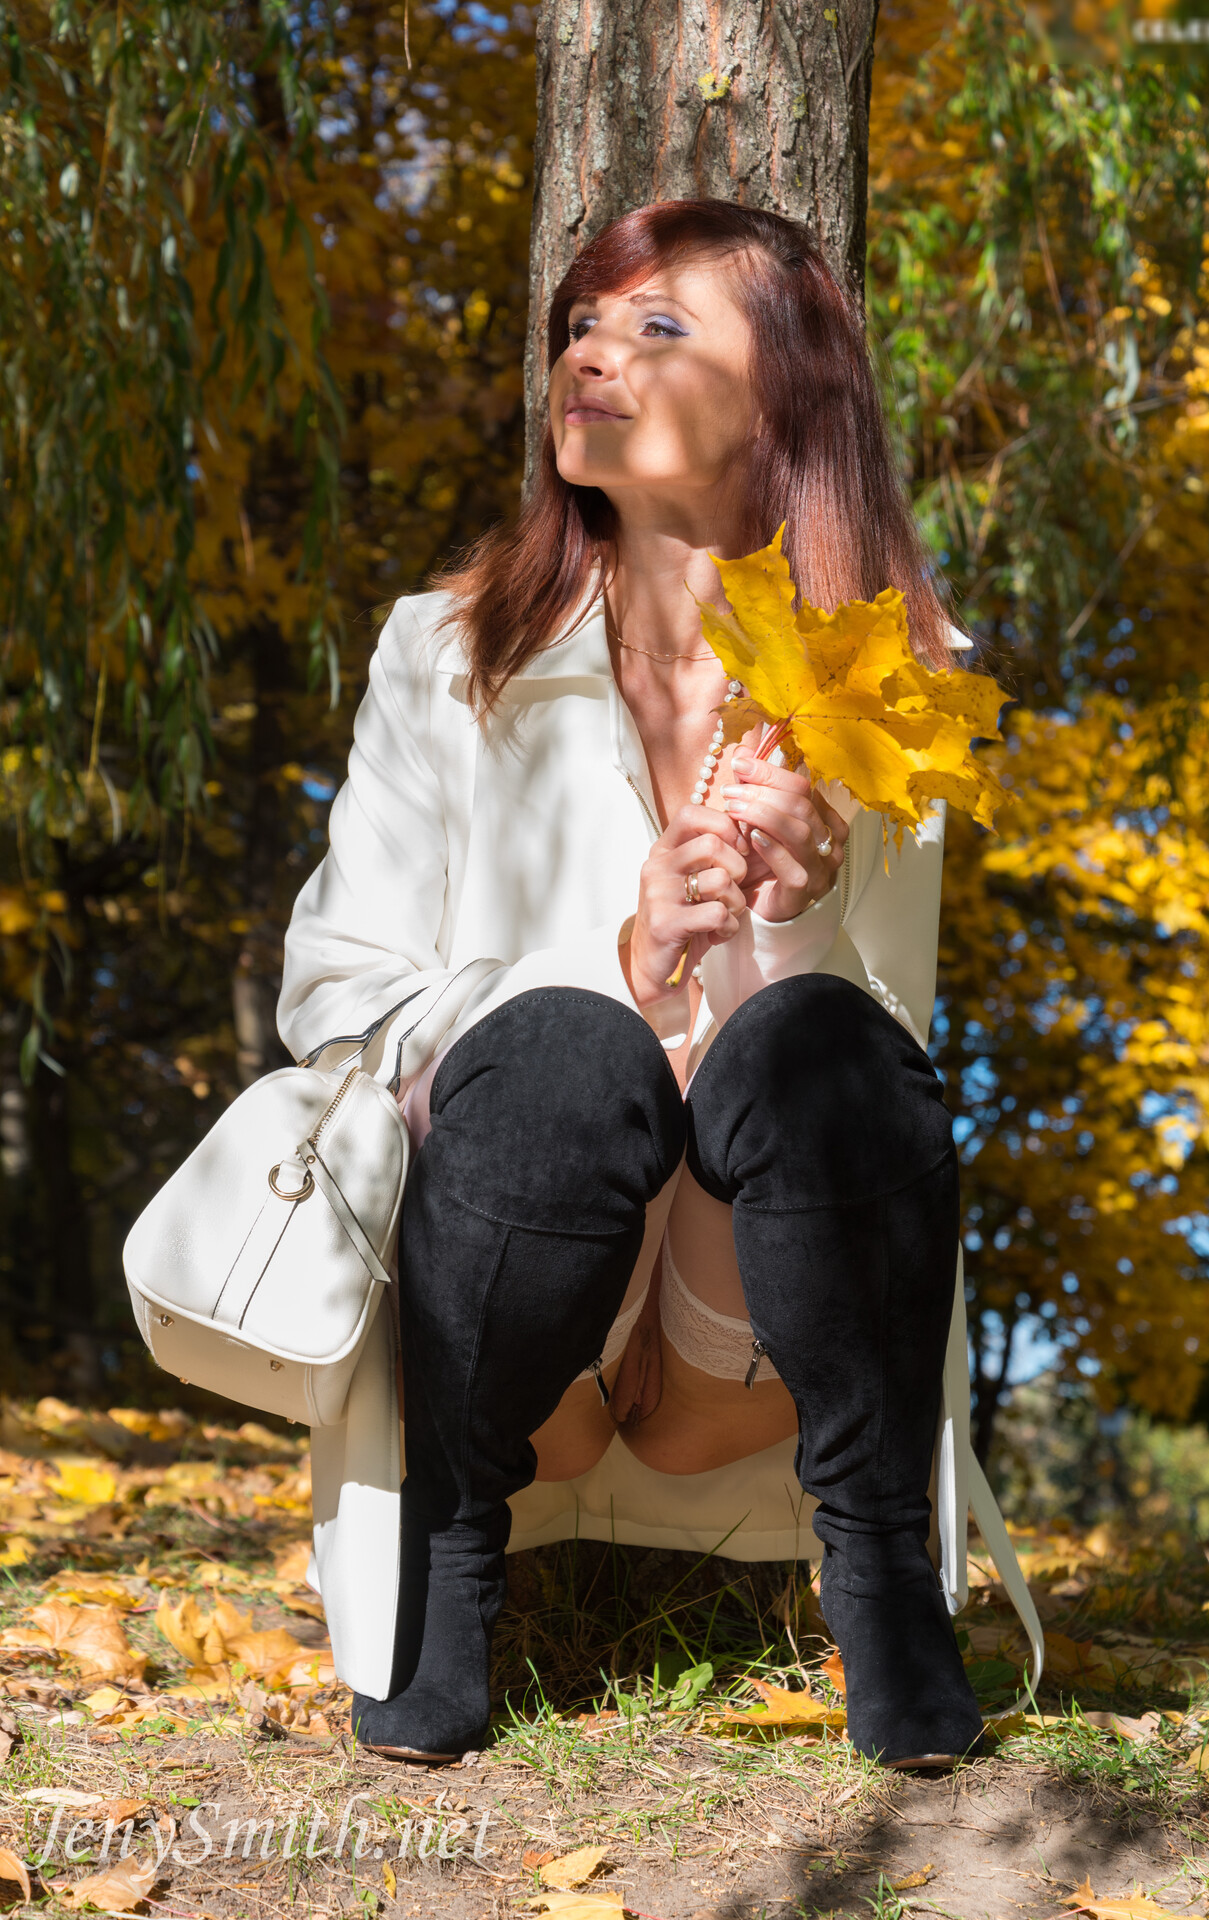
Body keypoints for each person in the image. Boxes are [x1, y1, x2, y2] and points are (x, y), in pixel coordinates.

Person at [279, 200, 985, 1770]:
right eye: (581, 326)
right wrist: (615, 961)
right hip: (522, 1340)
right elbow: (337, 998)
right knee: (560, 1048)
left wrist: (796, 920)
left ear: (785, 395)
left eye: (658, 327)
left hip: (744, 1352)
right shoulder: (443, 650)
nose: (591, 353)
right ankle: (447, 1552)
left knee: (825, 1041)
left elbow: (892, 1071)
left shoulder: (888, 679)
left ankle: (878, 1568)